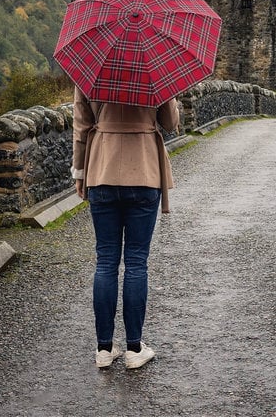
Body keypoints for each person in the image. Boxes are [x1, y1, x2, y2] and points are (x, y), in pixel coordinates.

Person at [71, 88, 179, 369]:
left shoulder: (91, 67)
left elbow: (81, 127)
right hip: (144, 171)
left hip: (102, 167)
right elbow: (170, 122)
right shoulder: (156, 69)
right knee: (136, 263)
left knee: (105, 261)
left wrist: (80, 173)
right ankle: (134, 349)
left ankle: (104, 349)